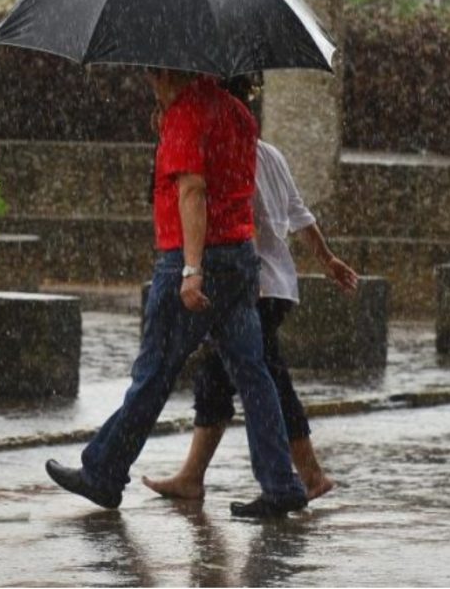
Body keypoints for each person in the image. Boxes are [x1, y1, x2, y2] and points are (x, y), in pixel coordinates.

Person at [46, 69, 309, 518]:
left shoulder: (187, 114)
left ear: (168, 69)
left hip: (192, 259)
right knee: (253, 372)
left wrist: (191, 269)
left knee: (154, 374)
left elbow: (192, 190)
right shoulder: (238, 114)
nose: (148, 77)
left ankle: (103, 472)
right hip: (239, 258)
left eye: (152, 70)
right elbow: (229, 183)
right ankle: (281, 482)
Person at [142, 74, 358, 502]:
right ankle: (195, 475)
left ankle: (305, 477)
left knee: (263, 379)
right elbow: (299, 215)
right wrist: (327, 259)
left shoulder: (231, 155)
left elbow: (243, 222)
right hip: (278, 286)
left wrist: (228, 276)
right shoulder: (270, 154)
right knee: (222, 378)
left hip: (253, 286)